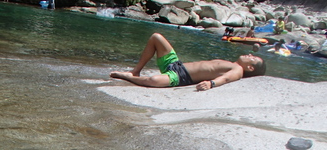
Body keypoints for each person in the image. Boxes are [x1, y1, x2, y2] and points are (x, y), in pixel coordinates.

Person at [110, 33, 266, 91]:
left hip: (181, 77)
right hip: (176, 65)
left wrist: (212, 84)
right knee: (156, 38)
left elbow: (226, 78)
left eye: (253, 58)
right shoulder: (232, 63)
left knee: (153, 80)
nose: (250, 54)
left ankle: (129, 77)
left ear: (250, 68)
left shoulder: (238, 69)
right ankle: (136, 71)